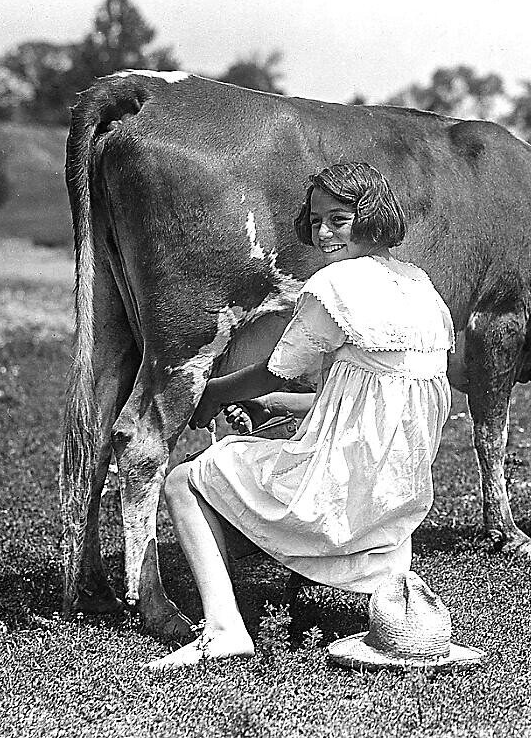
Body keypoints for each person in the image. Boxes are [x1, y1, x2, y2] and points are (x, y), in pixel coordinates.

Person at [147, 162, 455, 669]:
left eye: (339, 219)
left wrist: (214, 393)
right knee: (261, 453)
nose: (324, 233)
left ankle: (223, 628)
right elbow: (366, 399)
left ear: (371, 216)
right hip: (393, 502)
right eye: (315, 221)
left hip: (335, 498)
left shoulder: (336, 284)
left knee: (185, 480)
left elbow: (276, 371)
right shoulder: (419, 287)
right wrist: (270, 406)